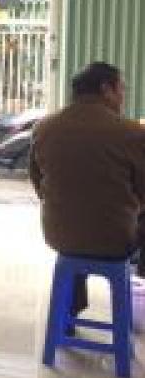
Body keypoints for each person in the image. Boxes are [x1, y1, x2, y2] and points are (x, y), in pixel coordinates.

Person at [30, 61, 145, 313]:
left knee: (79, 218)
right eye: (121, 89)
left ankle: (69, 310)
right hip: (114, 241)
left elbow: (38, 184)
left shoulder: (44, 127)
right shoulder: (131, 132)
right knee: (115, 222)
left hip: (59, 236)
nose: (123, 96)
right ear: (106, 90)